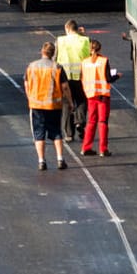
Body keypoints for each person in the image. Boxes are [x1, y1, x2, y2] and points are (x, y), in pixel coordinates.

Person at [26, 41, 68, 170]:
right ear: (53, 53)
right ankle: (60, 159)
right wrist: (70, 102)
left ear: (42, 52)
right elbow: (65, 87)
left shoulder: (31, 66)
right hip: (53, 105)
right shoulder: (58, 67)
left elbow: (27, 84)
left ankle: (41, 161)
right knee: (56, 132)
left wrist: (30, 98)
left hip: (37, 105)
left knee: (39, 133)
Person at [55, 19, 92, 144]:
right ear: (77, 29)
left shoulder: (60, 41)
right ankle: (79, 121)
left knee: (66, 104)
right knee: (81, 100)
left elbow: (55, 59)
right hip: (81, 76)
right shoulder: (85, 40)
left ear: (67, 29)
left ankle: (69, 134)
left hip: (65, 78)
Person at [81, 40, 117, 157]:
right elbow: (108, 79)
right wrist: (117, 76)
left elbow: (82, 77)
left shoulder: (84, 62)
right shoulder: (103, 61)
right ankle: (103, 149)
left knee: (91, 121)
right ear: (99, 49)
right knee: (102, 122)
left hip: (90, 95)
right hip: (102, 96)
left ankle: (86, 147)